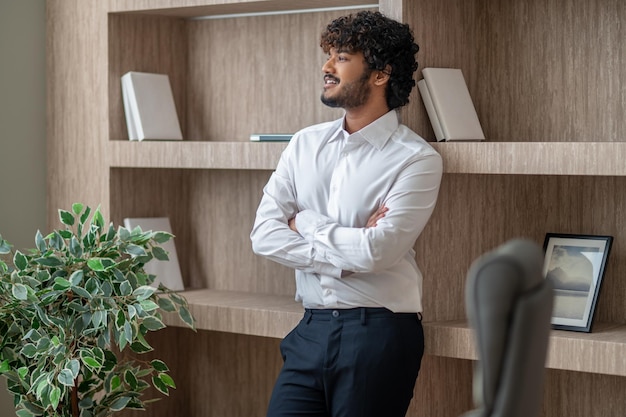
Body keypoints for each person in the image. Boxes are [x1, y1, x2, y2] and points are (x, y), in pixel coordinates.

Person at [250, 10, 443, 417]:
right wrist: (344, 257)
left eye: (341, 57)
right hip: (309, 329)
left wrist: (304, 222)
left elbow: (377, 253)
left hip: (379, 333)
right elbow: (264, 234)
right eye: (329, 56)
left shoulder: (416, 159)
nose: (326, 66)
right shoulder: (304, 144)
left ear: (380, 74)